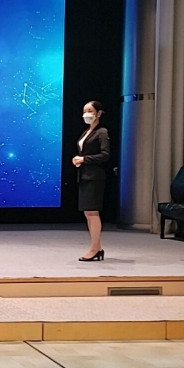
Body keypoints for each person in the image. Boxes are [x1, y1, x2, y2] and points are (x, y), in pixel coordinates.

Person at [72, 100, 110, 261]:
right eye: (84, 111)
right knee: (88, 213)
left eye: (89, 111)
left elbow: (105, 154)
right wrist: (79, 159)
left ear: (98, 113)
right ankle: (98, 248)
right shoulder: (87, 131)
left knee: (92, 213)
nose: (86, 114)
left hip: (95, 177)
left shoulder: (102, 132)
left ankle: (94, 248)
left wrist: (84, 159)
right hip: (85, 175)